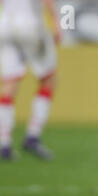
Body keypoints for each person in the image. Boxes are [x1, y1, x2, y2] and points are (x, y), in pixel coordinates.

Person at [0, 0, 60, 161]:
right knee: (49, 79)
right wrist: (59, 24)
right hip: (30, 25)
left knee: (9, 82)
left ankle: (4, 143)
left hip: (5, 24)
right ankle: (32, 137)